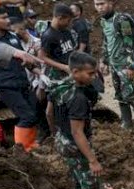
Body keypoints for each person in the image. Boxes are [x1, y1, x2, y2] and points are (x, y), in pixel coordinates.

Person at [50, 51, 123, 189]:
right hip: (75, 143)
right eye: (90, 73)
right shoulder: (78, 99)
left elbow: (49, 112)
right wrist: (92, 160)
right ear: (75, 72)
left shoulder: (59, 86)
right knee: (92, 186)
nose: (94, 77)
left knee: (76, 172)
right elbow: (77, 132)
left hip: (62, 140)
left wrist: (55, 133)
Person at [0, 7, 46, 152]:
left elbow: (22, 59)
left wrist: (38, 73)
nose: (8, 20)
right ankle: (23, 150)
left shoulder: (12, 36)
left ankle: (31, 144)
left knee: (35, 114)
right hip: (5, 85)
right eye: (3, 18)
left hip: (22, 82)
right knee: (27, 116)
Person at [94, 0, 134, 129]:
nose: (99, 7)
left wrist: (130, 66)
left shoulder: (121, 20)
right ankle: (127, 123)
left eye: (102, 3)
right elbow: (106, 41)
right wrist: (104, 60)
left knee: (129, 95)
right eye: (96, 4)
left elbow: (129, 42)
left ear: (111, 3)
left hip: (124, 64)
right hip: (114, 65)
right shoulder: (103, 21)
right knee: (120, 95)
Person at [39, 3, 78, 136]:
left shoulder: (66, 32)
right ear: (60, 18)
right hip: (57, 76)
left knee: (69, 104)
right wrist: (63, 67)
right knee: (53, 108)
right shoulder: (48, 35)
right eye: (68, 20)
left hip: (70, 73)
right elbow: (42, 57)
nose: (69, 23)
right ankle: (55, 134)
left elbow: (71, 51)